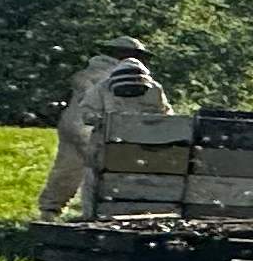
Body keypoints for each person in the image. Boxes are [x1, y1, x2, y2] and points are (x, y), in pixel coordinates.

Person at [37, 39, 168, 221]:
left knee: (69, 168)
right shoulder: (111, 76)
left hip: (74, 125)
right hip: (98, 129)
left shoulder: (90, 72)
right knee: (106, 173)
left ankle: (50, 210)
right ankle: (102, 212)